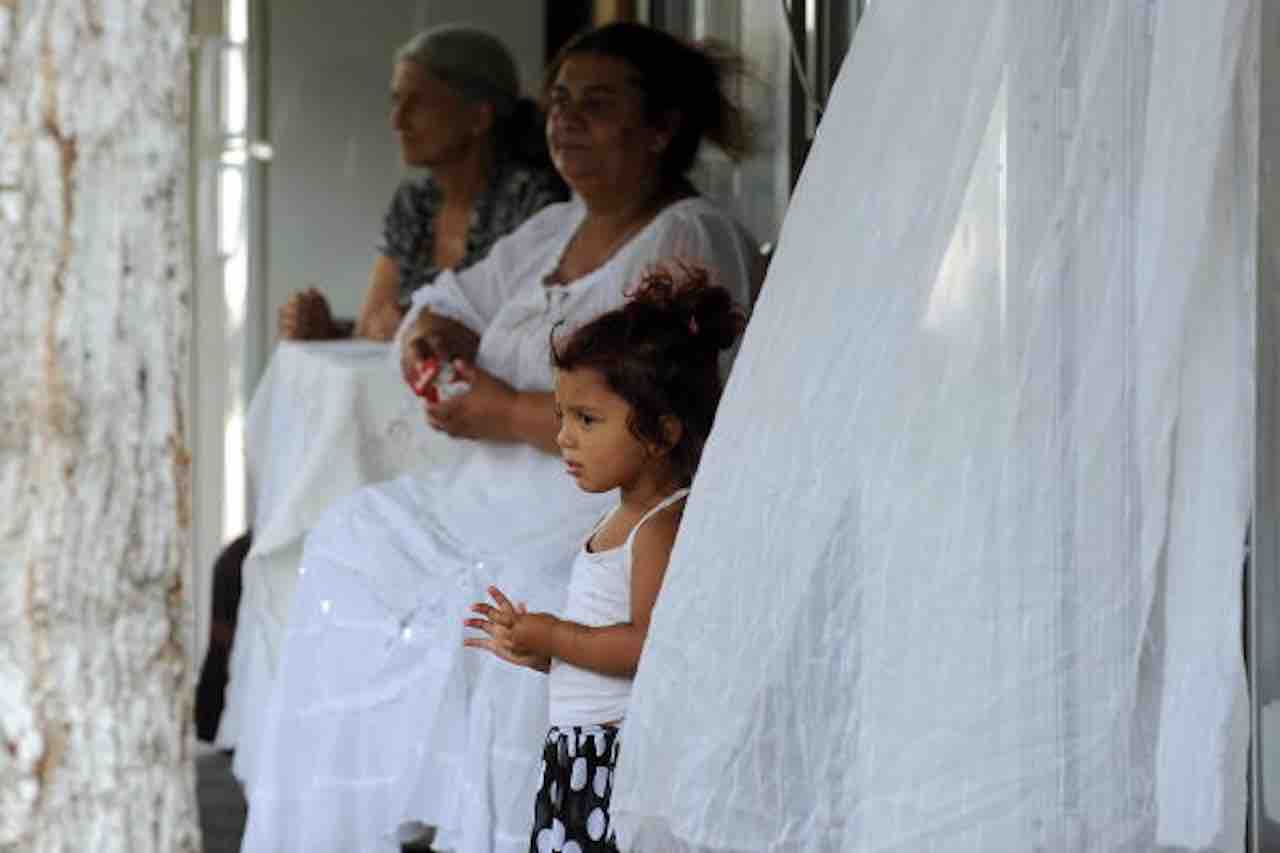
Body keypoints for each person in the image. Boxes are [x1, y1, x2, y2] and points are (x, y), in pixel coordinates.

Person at [238, 22, 758, 853]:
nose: (568, 121)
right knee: (349, 538)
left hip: (598, 512)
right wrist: (430, 339)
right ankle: (358, 823)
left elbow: (674, 422)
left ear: (660, 127)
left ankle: (499, 829)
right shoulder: (552, 229)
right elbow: (447, 298)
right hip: (481, 494)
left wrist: (509, 412)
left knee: (516, 596)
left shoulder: (688, 238)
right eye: (558, 102)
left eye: (597, 104)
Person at [465, 269, 744, 853]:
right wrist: (543, 653)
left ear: (661, 432)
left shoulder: (659, 527)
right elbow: (601, 661)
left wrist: (557, 634)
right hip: (579, 756)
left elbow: (648, 648)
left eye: (586, 420)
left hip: (614, 764)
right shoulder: (617, 520)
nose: (564, 437)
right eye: (563, 415)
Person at [278, 25, 566, 341]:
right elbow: (373, 328)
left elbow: (529, 344)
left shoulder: (532, 203)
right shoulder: (414, 205)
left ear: (478, 118)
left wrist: (420, 328)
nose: (397, 121)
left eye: (417, 103)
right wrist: (328, 330)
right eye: (397, 101)